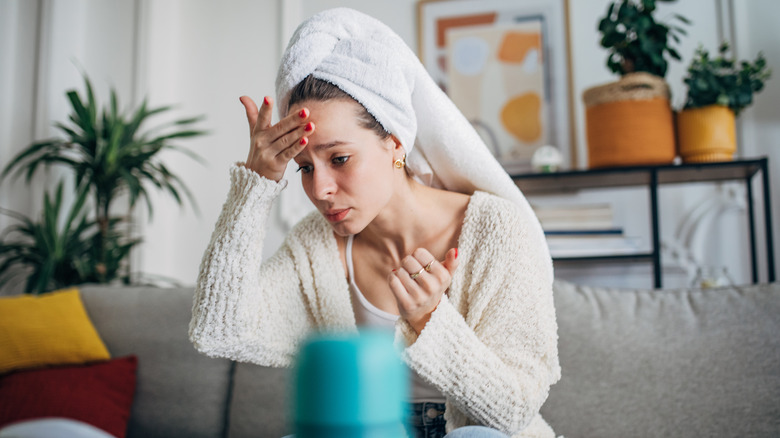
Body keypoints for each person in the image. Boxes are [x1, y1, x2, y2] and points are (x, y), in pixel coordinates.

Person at [189, 8, 560, 438]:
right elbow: (217, 331)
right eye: (304, 168)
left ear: (395, 144)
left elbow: (513, 411)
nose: (320, 188)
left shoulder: (498, 230)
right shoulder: (317, 245)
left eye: (339, 158)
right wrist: (255, 185)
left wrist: (428, 320)